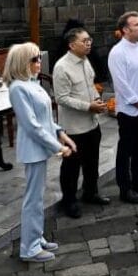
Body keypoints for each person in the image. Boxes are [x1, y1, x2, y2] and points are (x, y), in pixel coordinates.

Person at [5, 42, 77, 262]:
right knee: (33, 199)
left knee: (38, 197)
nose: (39, 63)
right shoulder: (18, 88)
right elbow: (32, 125)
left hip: (41, 148)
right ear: (23, 63)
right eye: (34, 59)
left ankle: (36, 237)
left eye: (38, 58)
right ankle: (29, 247)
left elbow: (45, 119)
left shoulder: (32, 84)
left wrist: (61, 134)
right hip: (34, 150)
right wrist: (58, 147)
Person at [52, 26, 110, 218]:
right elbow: (61, 98)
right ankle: (69, 201)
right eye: (84, 41)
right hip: (73, 128)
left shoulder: (86, 61)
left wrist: (97, 101)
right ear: (71, 45)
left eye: (89, 40)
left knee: (92, 161)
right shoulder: (62, 67)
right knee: (71, 167)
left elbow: (91, 84)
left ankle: (90, 192)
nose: (88, 44)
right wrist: (88, 106)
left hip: (92, 123)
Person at [107, 11, 138, 204]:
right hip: (130, 111)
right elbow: (121, 84)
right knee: (125, 150)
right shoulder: (117, 53)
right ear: (126, 29)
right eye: (136, 24)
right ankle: (125, 189)